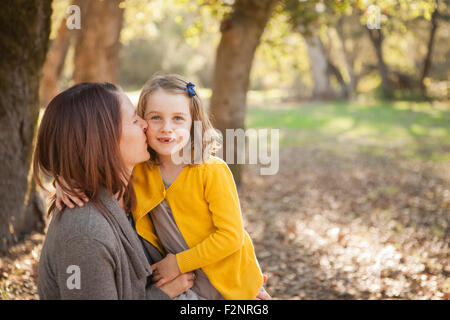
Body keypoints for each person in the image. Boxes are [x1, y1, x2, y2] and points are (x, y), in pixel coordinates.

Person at [56, 74, 271, 300]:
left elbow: (232, 235)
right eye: (156, 117)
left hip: (227, 283)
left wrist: (178, 263)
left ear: (194, 123)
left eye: (178, 118)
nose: (166, 128)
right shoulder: (140, 169)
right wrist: (66, 180)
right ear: (143, 121)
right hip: (184, 284)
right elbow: (98, 166)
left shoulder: (210, 170)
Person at [34, 82, 195, 299]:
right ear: (102, 139)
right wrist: (162, 294)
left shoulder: (138, 186)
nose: (146, 124)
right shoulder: (85, 234)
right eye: (133, 119)